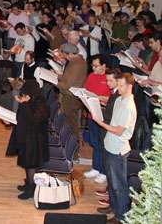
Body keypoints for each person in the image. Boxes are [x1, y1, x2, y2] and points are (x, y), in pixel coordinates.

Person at [93, 73, 137, 224]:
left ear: (130, 86)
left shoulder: (129, 106)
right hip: (109, 144)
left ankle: (121, 216)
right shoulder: (119, 99)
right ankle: (113, 206)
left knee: (119, 185)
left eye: (121, 85)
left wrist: (100, 123)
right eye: (117, 85)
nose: (117, 88)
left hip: (118, 149)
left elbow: (119, 130)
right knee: (112, 181)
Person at [5, 80, 50, 200]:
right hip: (27, 136)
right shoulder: (29, 101)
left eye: (26, 95)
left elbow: (32, 119)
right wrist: (8, 122)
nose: (24, 97)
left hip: (35, 140)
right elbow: (21, 116)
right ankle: (28, 183)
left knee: (30, 163)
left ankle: (32, 187)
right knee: (26, 161)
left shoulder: (41, 105)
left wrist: (24, 104)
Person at [82, 55, 112, 184]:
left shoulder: (110, 78)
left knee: (103, 144)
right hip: (92, 114)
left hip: (104, 116)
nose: (93, 68)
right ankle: (96, 167)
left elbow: (113, 97)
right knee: (94, 142)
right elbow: (87, 91)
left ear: (104, 66)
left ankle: (104, 171)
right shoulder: (91, 76)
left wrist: (99, 97)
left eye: (96, 66)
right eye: (92, 66)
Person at [55, 43, 88, 138]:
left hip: (71, 97)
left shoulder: (77, 64)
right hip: (70, 95)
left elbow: (66, 84)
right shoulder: (76, 61)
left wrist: (54, 82)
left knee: (71, 123)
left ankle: (73, 149)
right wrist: (56, 76)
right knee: (68, 122)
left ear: (71, 54)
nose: (64, 57)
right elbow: (67, 77)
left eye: (64, 55)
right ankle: (69, 143)